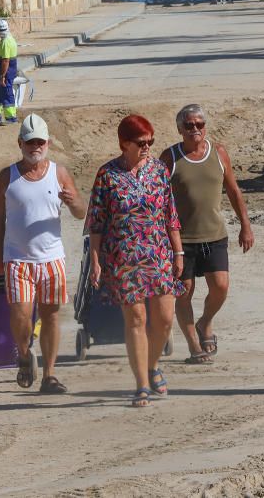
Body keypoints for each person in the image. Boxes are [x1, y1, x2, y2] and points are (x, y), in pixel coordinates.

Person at [86, 115, 185, 408]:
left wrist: (178, 252)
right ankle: (141, 383)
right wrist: (95, 260)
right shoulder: (107, 175)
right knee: (137, 320)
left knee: (165, 319)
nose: (147, 147)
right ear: (124, 143)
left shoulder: (159, 170)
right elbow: (96, 223)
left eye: (151, 142)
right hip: (123, 257)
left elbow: (171, 215)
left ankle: (152, 364)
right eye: (142, 143)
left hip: (158, 253)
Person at [0, 114, 86, 394]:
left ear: (48, 143)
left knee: (51, 315)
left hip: (51, 258)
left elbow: (82, 213)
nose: (35, 147)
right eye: (30, 142)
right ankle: (23, 354)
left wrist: (74, 203)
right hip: (17, 259)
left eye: (40, 142)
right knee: (22, 314)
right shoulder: (6, 177)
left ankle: (50, 375)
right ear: (20, 143)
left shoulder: (60, 174)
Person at [160, 104, 254, 364]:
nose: (195, 130)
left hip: (214, 234)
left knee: (221, 286)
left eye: (199, 124)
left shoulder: (219, 153)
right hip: (181, 239)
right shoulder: (169, 157)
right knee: (184, 291)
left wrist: (245, 224)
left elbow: (234, 191)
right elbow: (156, 197)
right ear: (180, 129)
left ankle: (205, 323)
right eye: (189, 125)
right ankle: (193, 346)